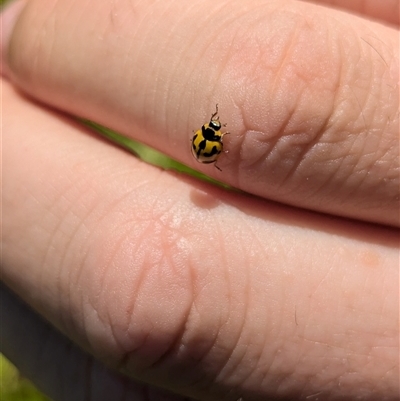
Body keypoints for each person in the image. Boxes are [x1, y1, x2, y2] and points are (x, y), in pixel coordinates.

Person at [1, 0, 399, 400]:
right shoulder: (214, 140)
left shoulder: (211, 138)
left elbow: (210, 144)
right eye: (213, 126)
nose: (214, 128)